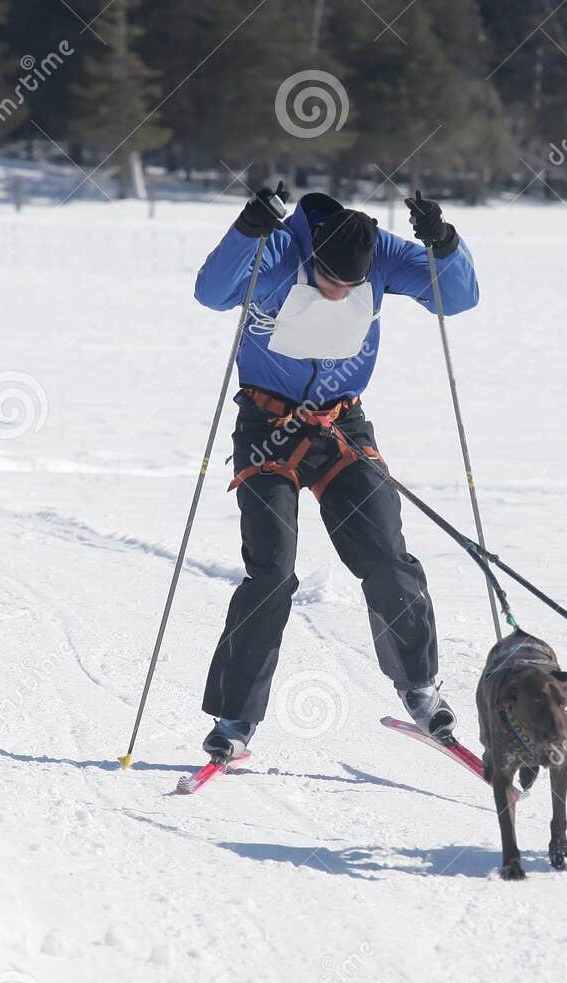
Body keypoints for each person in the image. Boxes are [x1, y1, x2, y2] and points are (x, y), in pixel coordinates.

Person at [191, 184, 480, 762]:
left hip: (341, 425)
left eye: (352, 286)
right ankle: (236, 717)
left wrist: (444, 242)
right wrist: (247, 230)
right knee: (272, 572)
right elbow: (211, 293)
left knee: (387, 558)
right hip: (267, 425)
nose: (339, 291)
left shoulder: (383, 252)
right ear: (313, 254)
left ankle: (420, 688)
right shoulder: (277, 249)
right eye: (329, 280)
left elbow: (457, 298)